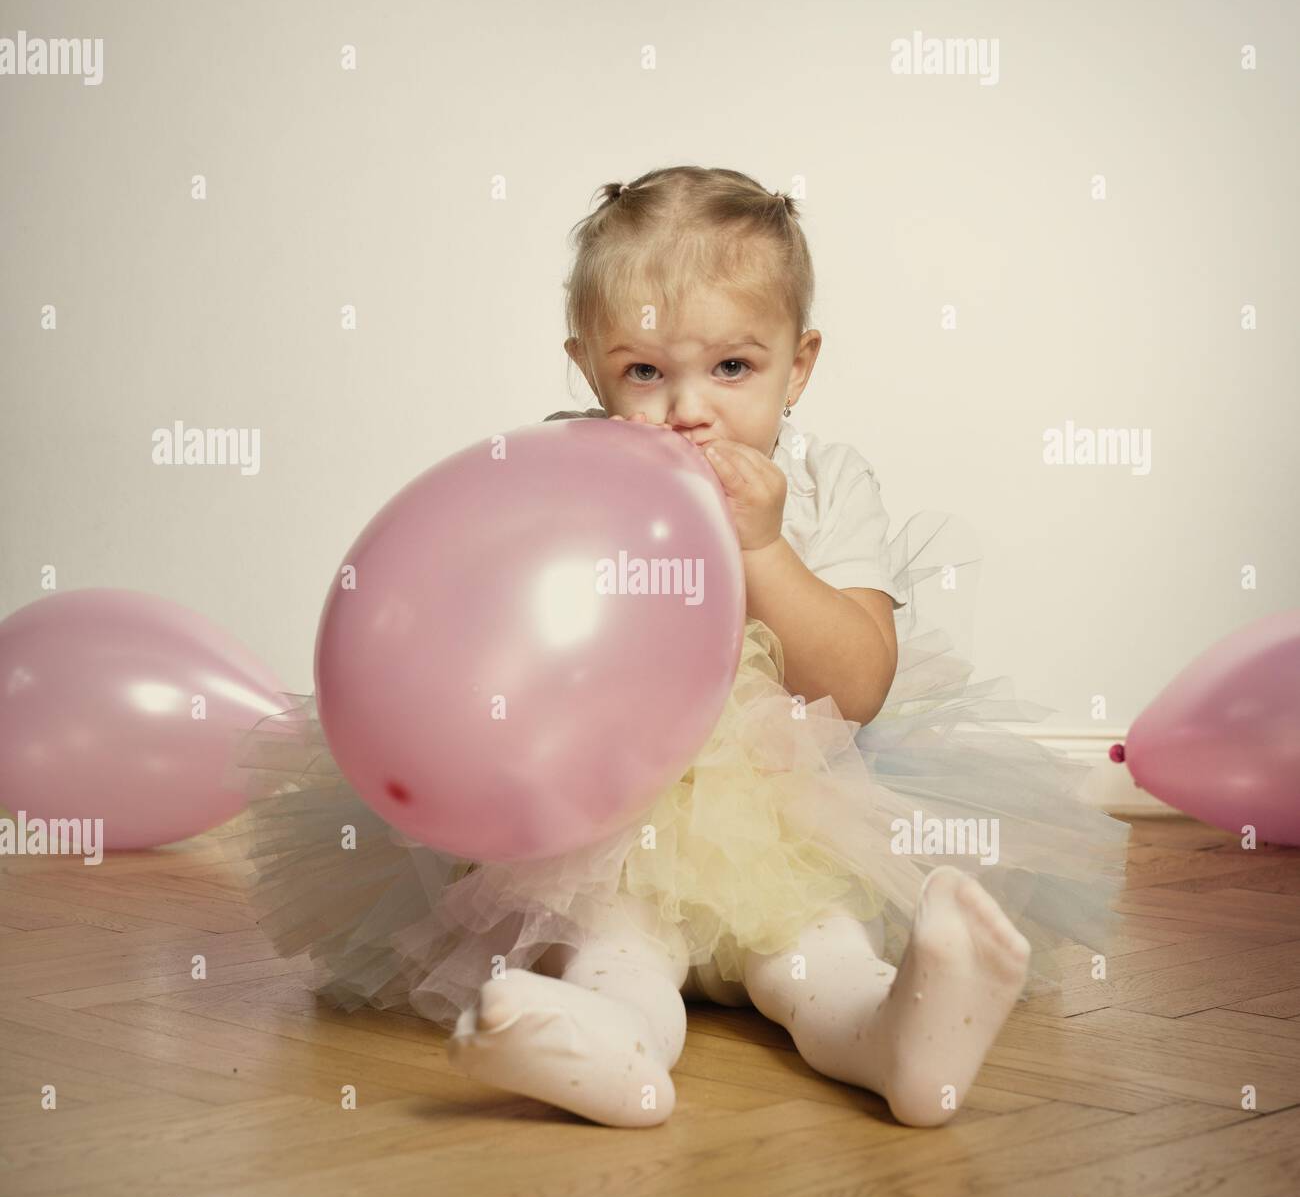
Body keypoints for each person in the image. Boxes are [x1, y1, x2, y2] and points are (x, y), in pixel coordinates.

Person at [220, 166, 1130, 1129]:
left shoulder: (823, 484)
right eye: (644, 372)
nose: (689, 408)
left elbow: (856, 684)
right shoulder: (567, 470)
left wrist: (764, 546)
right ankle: (614, 1046)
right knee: (616, 940)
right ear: (588, 367)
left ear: (801, 363)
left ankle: (896, 1036)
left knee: (811, 949)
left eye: (733, 368)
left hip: (794, 812)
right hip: (604, 811)